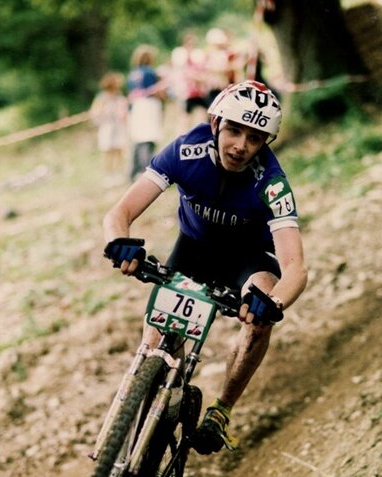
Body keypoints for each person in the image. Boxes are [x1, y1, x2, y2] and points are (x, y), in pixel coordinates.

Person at [102, 80, 308, 456]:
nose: (241, 146)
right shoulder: (185, 151)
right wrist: (119, 240)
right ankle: (106, 465)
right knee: (151, 350)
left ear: (266, 143)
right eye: (233, 130)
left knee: (261, 311)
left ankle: (222, 411)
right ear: (214, 123)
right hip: (193, 251)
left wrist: (274, 302)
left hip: (247, 260)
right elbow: (121, 212)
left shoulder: (272, 184)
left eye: (255, 138)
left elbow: (295, 266)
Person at [127, 45, 166, 182]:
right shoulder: (150, 72)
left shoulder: (133, 74)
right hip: (149, 106)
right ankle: (147, 171)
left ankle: (133, 171)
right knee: (148, 137)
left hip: (137, 106)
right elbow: (155, 91)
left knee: (138, 138)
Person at [89, 72, 128, 184]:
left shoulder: (120, 97)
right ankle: (108, 176)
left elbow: (124, 112)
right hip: (107, 127)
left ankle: (120, 174)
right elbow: (95, 113)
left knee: (119, 150)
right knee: (108, 152)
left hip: (119, 126)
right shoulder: (101, 97)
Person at [171, 31, 208, 131]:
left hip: (197, 91)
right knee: (185, 116)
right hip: (185, 91)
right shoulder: (180, 54)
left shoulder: (197, 54)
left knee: (202, 114)